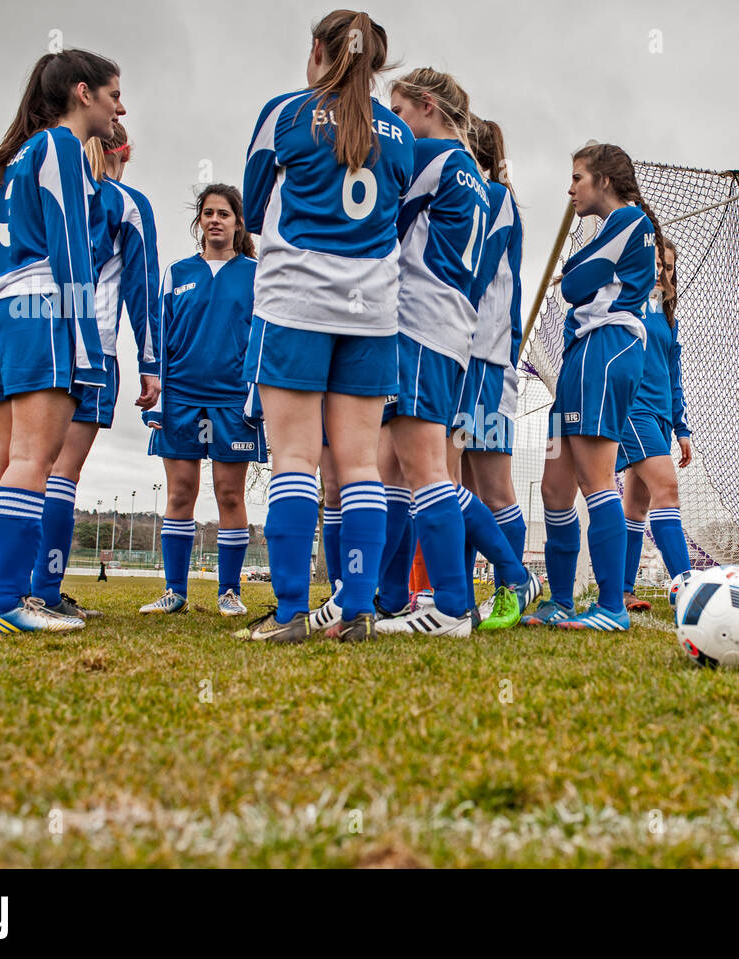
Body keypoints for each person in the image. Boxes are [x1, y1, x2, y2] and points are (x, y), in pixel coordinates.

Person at [239, 10, 412, 643]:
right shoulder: (401, 137)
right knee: (361, 466)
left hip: (296, 305)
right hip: (373, 312)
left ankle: (288, 614)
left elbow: (253, 208)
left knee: (294, 459)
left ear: (318, 48)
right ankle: (358, 610)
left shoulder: (284, 113)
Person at [0, 49, 122, 634]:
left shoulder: (17, 155)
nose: (118, 107)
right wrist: (85, 342)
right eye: (112, 95)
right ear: (83, 93)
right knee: (35, 461)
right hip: (41, 305)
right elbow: (72, 246)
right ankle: (5, 602)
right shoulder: (61, 148)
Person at [373, 68, 538, 637]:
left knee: (457, 478)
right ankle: (397, 593)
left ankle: (501, 585)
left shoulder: (480, 187)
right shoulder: (470, 179)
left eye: (397, 111)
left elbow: (388, 229)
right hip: (453, 339)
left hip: (471, 349)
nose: (392, 126)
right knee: (401, 468)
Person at [521, 143, 661, 631]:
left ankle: (612, 607)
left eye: (578, 177)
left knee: (594, 479)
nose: (570, 187)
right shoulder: (610, 231)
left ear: (604, 180)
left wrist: (576, 273)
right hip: (583, 354)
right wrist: (580, 272)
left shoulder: (630, 220)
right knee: (555, 488)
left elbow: (574, 285)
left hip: (608, 348)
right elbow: (582, 279)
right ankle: (560, 600)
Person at [28, 121, 162, 620]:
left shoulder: (43, 186)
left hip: (35, 338)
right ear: (123, 154)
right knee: (62, 474)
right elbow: (143, 290)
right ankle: (45, 591)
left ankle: (8, 587)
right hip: (91, 348)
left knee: (24, 466)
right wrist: (151, 365)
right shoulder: (127, 202)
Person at [139, 184, 263, 617]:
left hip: (233, 401)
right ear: (199, 221)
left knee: (230, 495)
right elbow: (158, 337)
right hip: (181, 400)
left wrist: (258, 395)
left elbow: (264, 338)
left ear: (237, 222)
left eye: (224, 214)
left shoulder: (256, 273)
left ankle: (229, 591)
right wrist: (156, 394)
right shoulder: (177, 273)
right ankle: (174, 592)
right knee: (180, 494)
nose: (215, 220)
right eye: (208, 213)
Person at [455, 116, 528, 629]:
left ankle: (514, 586)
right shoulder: (472, 193)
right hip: (461, 355)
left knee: (493, 484)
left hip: (485, 356)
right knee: (455, 480)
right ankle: (455, 593)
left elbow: (471, 271)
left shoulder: (494, 197)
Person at [618, 238, 693, 611]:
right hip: (633, 411)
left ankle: (623, 589)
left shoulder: (668, 317)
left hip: (661, 418)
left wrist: (681, 428)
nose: (662, 272)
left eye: (668, 266)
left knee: (636, 506)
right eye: (657, 263)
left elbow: (673, 373)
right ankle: (688, 586)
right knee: (668, 490)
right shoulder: (627, 303)